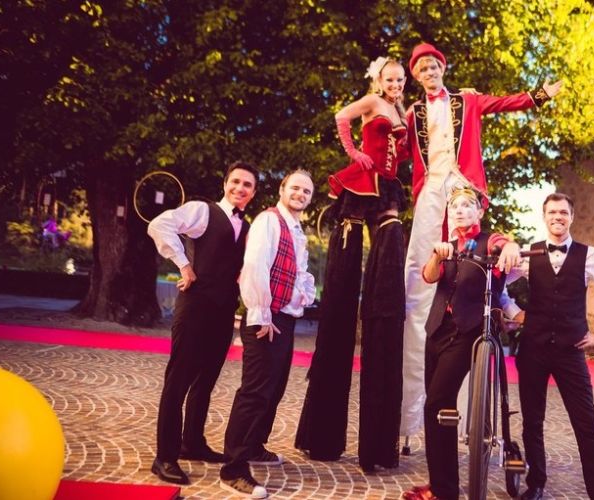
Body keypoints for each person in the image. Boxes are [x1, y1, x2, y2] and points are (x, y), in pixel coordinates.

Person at [400, 42, 563, 440]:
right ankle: (408, 415)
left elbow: (506, 103)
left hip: (462, 180)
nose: (429, 71)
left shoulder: (466, 100)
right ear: (416, 76)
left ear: (442, 68)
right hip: (430, 185)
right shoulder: (412, 113)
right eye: (422, 68)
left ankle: (494, 307)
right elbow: (396, 150)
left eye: (434, 65)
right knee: (422, 278)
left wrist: (540, 94)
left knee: (474, 252)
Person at [295, 56, 408, 471]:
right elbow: (340, 115)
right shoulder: (372, 102)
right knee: (343, 288)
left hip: (390, 191)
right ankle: (322, 435)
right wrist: (353, 152)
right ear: (379, 79)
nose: (395, 83)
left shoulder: (401, 111)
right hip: (362, 185)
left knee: (385, 286)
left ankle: (378, 444)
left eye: (399, 79)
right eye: (390, 78)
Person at [505, 192, 594, 500]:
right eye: (552, 212)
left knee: (587, 424)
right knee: (532, 421)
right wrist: (513, 312)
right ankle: (536, 485)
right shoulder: (528, 253)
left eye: (563, 212)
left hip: (571, 352)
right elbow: (500, 285)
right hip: (533, 349)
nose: (558, 217)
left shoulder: (590, 254)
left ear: (572, 216)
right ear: (544, 217)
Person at [402, 186, 520, 500]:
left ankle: (444, 492)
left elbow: (505, 244)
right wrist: (436, 256)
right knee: (436, 408)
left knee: (436, 402)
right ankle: (442, 485)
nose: (460, 210)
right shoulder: (449, 244)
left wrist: (511, 246)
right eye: (454, 206)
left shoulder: (490, 240)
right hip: (438, 328)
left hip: (471, 330)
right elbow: (429, 278)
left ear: (479, 212)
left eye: (467, 206)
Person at [147, 161, 258, 485]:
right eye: (236, 182)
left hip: (223, 312)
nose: (240, 188)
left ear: (253, 192)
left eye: (247, 185)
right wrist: (183, 265)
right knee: (178, 381)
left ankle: (191, 443)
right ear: (225, 183)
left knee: (205, 382)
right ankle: (164, 457)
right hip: (195, 307)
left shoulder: (247, 226)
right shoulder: (202, 211)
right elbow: (159, 224)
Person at [219, 170, 316, 498]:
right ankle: (233, 467)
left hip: (284, 319)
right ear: (282, 189)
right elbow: (255, 266)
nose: (300, 194)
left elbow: (300, 272)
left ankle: (255, 446)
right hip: (265, 317)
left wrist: (303, 296)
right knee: (255, 392)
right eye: (295, 188)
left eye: (306, 191)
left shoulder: (296, 228)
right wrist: (260, 313)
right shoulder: (268, 221)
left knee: (273, 390)